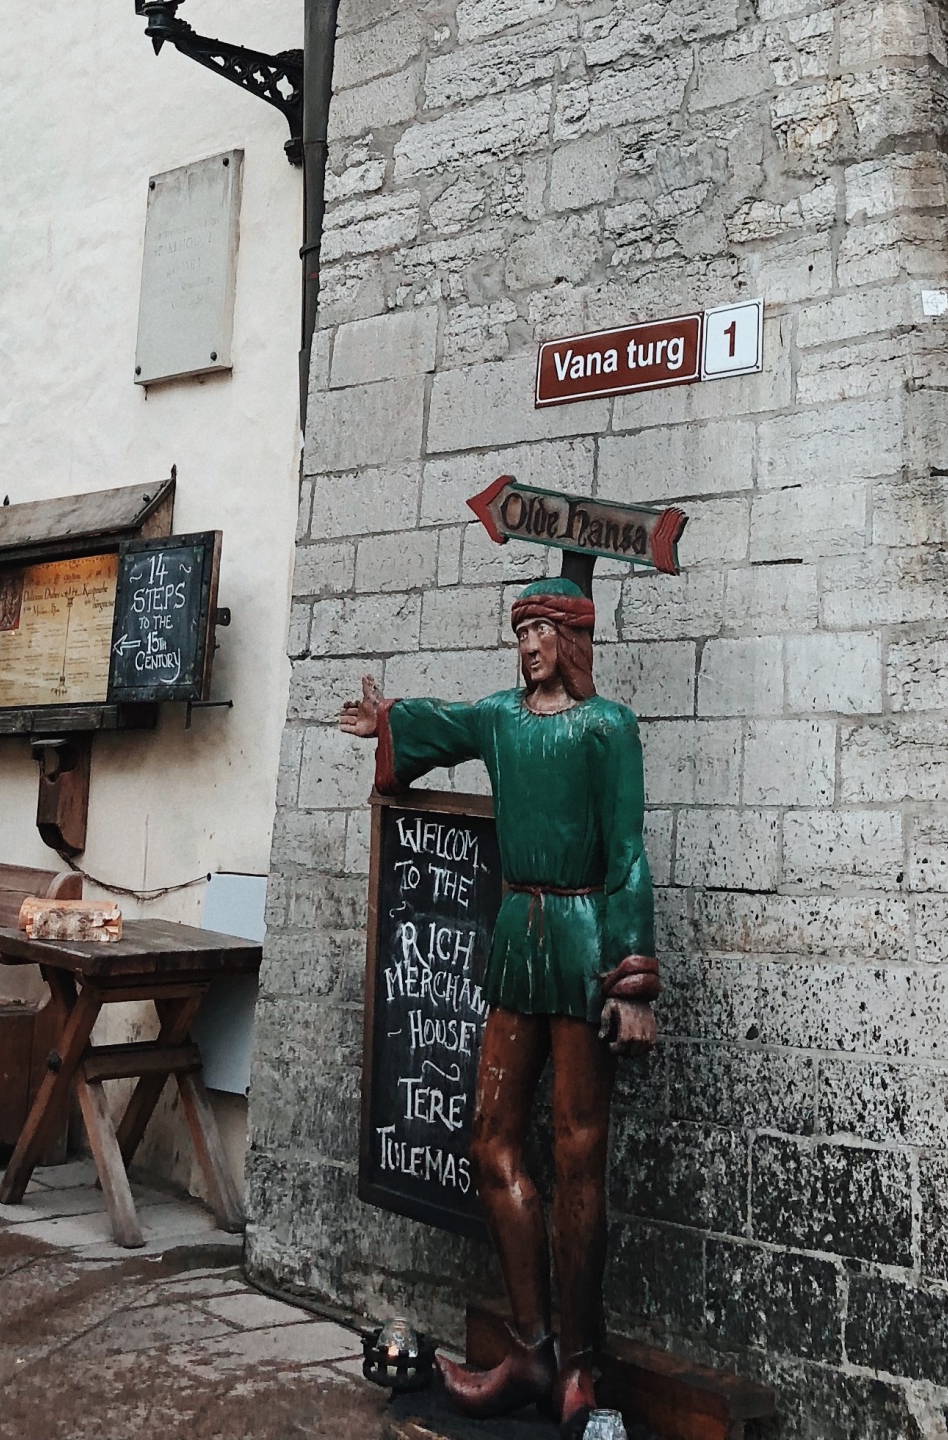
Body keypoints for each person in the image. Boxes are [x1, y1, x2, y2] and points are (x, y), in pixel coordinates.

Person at [340, 575, 658, 1433]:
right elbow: (439, 724)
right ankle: (530, 1344)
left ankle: (580, 1366)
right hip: (518, 932)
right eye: (521, 631)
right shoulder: (502, 720)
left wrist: (633, 977)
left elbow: (628, 854)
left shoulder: (607, 729)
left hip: (587, 937)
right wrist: (389, 724)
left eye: (544, 631)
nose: (528, 647)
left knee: (580, 1152)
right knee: (490, 1140)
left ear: (574, 640)